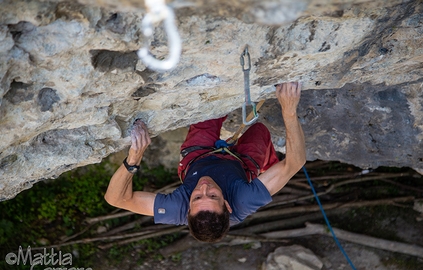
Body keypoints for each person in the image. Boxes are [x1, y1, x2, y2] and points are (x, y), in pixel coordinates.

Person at [105, 82, 306, 242]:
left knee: (209, 112)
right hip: (242, 166)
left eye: (196, 198)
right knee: (259, 131)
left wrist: (134, 159)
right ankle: (268, 167)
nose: (204, 187)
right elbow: (295, 162)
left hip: (198, 157)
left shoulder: (177, 208)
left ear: (188, 210)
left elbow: (116, 199)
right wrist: (289, 110)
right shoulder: (245, 199)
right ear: (227, 205)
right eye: (212, 195)